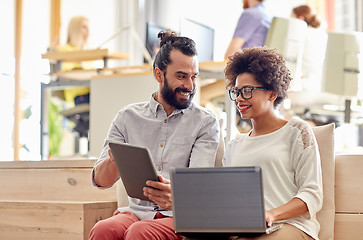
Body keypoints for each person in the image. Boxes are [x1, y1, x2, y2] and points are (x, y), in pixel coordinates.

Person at [88, 30, 220, 240]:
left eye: (194, 77)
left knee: (139, 232)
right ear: (159, 75)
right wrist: (113, 161)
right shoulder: (127, 117)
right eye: (181, 76)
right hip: (136, 213)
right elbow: (101, 181)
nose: (190, 85)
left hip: (179, 216)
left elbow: (197, 186)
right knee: (103, 229)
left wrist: (176, 195)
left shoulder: (204, 122)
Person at [222, 47, 323, 240]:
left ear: (272, 93)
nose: (240, 99)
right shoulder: (234, 145)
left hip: (291, 226)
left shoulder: (296, 131)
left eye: (248, 91)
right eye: (237, 92)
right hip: (245, 230)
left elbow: (312, 194)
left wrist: (271, 214)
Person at [291, 5, 327, 92]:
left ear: (300, 19)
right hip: (321, 84)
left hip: (307, 86)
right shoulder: (323, 35)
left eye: (291, 19)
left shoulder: (301, 35)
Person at [58, 16, 92, 104]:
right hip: (78, 95)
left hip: (92, 92)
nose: (88, 31)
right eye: (84, 27)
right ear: (75, 29)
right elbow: (70, 73)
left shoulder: (87, 53)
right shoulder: (65, 50)